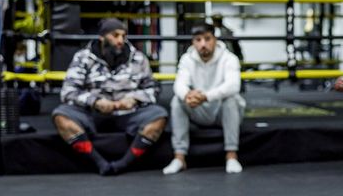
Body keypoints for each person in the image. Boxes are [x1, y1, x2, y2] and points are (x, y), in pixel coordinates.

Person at [52, 18, 167, 175]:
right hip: (93, 114)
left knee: (159, 115)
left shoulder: (138, 58)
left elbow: (153, 89)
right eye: (115, 35)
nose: (121, 40)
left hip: (127, 114)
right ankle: (99, 162)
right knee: (61, 116)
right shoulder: (83, 57)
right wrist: (95, 102)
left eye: (124, 36)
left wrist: (134, 99)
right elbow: (68, 91)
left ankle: (124, 163)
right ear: (102, 37)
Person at [162, 22, 245, 175]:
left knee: (231, 99)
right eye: (198, 40)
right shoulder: (187, 59)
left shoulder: (229, 58)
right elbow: (179, 84)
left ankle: (231, 156)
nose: (203, 44)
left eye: (207, 39)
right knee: (177, 100)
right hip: (199, 111)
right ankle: (179, 158)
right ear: (193, 42)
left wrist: (205, 97)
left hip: (222, 112)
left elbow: (233, 85)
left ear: (215, 39)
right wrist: (187, 95)